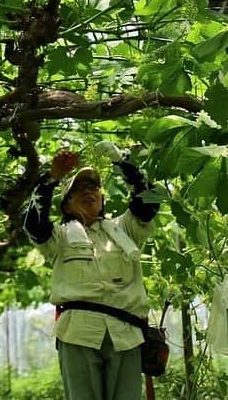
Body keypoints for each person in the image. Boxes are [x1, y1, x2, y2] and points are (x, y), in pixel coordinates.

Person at [22, 142, 159, 400]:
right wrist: (53, 177)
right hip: (79, 334)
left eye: (93, 187)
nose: (89, 192)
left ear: (102, 197)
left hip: (125, 334)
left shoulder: (124, 229)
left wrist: (123, 162)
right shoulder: (59, 237)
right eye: (79, 188)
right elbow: (33, 225)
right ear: (66, 204)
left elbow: (149, 202)